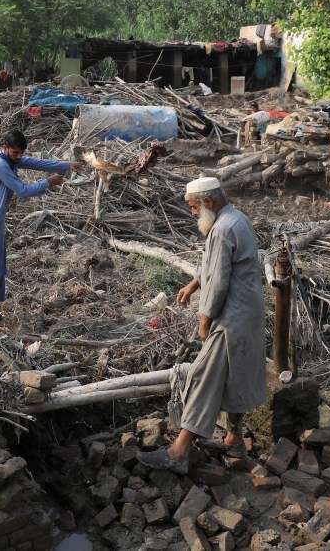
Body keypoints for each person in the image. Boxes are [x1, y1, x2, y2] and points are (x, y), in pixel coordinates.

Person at [138, 176, 267, 474]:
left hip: (231, 318)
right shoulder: (235, 219)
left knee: (202, 378)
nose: (194, 214)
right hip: (246, 313)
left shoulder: (222, 229)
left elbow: (220, 282)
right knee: (235, 377)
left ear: (208, 202)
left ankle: (179, 451)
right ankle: (235, 442)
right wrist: (195, 283)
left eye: (195, 208)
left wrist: (204, 319)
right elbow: (217, 265)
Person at [0, 129, 85, 323]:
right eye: (16, 153)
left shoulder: (11, 160)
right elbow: (23, 191)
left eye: (21, 153)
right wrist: (48, 182)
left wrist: (67, 165)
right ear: (5, 148)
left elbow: (36, 163)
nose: (19, 157)